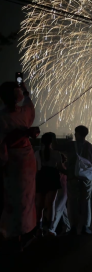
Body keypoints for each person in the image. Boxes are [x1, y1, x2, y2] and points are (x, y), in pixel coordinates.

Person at [0, 81, 37, 241]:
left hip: (21, 160)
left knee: (23, 197)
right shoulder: (12, 115)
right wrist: (25, 133)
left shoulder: (5, 116)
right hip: (17, 160)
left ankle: (20, 232)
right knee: (21, 197)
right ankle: (19, 233)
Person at [67, 125, 92, 235]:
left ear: (78, 134)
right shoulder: (91, 147)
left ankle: (73, 226)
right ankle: (85, 226)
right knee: (86, 201)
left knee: (72, 202)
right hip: (86, 179)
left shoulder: (70, 145)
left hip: (72, 177)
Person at [35, 132, 64, 235]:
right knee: (50, 205)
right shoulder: (56, 154)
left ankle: (38, 228)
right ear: (52, 142)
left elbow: (35, 168)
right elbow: (60, 168)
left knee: (39, 205)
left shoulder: (37, 153)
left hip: (41, 177)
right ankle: (49, 228)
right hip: (52, 177)